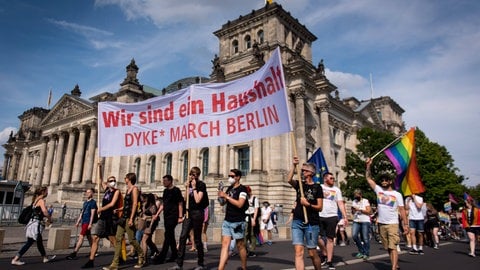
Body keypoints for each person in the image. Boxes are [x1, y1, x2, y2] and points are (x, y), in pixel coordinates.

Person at [366, 158, 408, 270]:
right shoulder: (378, 190)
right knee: (388, 247)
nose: (384, 181)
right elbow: (368, 179)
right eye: (382, 180)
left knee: (393, 246)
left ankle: (393, 267)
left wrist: (405, 224)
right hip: (382, 224)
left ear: (390, 181)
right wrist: (368, 166)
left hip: (393, 223)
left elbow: (402, 210)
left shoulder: (397, 194)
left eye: (386, 180)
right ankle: (396, 264)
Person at [287, 157, 324, 270]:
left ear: (311, 173)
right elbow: (289, 180)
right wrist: (294, 165)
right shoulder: (300, 185)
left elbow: (320, 207)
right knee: (298, 252)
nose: (302, 172)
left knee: (312, 253)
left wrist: (308, 204)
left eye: (304, 170)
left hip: (311, 223)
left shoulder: (317, 187)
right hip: (297, 221)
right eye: (302, 170)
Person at [169, 166, 208, 270]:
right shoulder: (189, 184)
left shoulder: (201, 185)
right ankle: (179, 264)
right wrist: (187, 188)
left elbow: (198, 200)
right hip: (188, 213)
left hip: (198, 213)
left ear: (198, 175)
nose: (191, 177)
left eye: (193, 175)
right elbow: (185, 199)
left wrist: (194, 188)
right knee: (182, 237)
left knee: (197, 239)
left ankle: (200, 264)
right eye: (190, 174)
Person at [103, 173, 144, 270]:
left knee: (131, 240)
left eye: (125, 177)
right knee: (118, 239)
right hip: (123, 218)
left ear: (129, 179)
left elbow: (134, 204)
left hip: (129, 218)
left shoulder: (134, 189)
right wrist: (119, 210)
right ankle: (115, 264)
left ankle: (141, 255)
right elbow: (126, 205)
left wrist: (131, 218)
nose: (124, 179)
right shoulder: (127, 190)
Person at [82, 175, 121, 269]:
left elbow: (112, 204)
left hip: (110, 218)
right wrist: (99, 168)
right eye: (111, 180)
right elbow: (99, 179)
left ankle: (118, 257)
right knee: (95, 238)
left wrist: (101, 209)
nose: (113, 182)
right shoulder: (107, 189)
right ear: (107, 182)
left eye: (114, 180)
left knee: (113, 240)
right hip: (103, 217)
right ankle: (91, 260)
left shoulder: (117, 191)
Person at [11, 186, 56, 265]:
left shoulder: (35, 200)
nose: (47, 192)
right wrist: (50, 218)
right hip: (36, 225)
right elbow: (45, 211)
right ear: (43, 192)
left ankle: (45, 257)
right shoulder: (41, 200)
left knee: (38, 242)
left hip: (32, 223)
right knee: (30, 242)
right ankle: (16, 259)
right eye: (46, 191)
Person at [217, 169, 249, 270]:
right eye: (229, 175)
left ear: (238, 177)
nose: (230, 178)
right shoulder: (230, 188)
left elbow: (240, 204)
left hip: (238, 222)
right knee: (225, 245)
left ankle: (244, 267)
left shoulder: (242, 189)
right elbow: (223, 203)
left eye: (232, 176)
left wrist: (226, 196)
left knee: (240, 246)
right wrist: (220, 196)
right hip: (227, 220)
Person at [317, 172, 348, 269]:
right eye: (331, 178)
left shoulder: (336, 190)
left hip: (332, 216)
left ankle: (329, 261)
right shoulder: (319, 187)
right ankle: (324, 252)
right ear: (325, 179)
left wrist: (345, 216)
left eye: (333, 178)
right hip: (319, 215)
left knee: (330, 239)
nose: (333, 180)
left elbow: (340, 203)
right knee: (317, 237)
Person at [154, 175, 183, 264]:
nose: (163, 182)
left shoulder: (176, 190)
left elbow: (180, 203)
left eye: (165, 181)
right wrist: (157, 214)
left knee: (168, 235)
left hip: (174, 216)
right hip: (166, 216)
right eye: (163, 181)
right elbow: (163, 204)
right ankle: (175, 254)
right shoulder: (165, 191)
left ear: (170, 181)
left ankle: (162, 257)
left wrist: (180, 217)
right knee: (170, 235)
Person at [66, 188, 97, 260]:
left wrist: (90, 224)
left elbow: (92, 214)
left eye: (89, 192)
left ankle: (75, 252)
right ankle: (94, 250)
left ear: (92, 193)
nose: (87, 193)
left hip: (87, 222)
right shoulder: (85, 202)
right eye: (87, 192)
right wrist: (78, 221)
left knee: (81, 237)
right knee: (89, 237)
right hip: (83, 221)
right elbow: (82, 213)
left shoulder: (93, 202)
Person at [351, 189, 372, 260]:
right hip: (356, 220)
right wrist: (353, 210)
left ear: (360, 195)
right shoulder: (354, 201)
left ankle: (366, 253)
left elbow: (369, 211)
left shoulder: (365, 201)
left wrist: (360, 210)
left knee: (365, 238)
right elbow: (353, 213)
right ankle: (361, 250)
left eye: (357, 195)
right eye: (355, 195)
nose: (356, 196)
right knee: (354, 236)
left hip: (365, 221)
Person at [138, 193, 159, 263]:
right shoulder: (146, 205)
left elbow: (154, 217)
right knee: (148, 240)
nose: (145, 199)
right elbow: (143, 213)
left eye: (146, 198)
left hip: (150, 225)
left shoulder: (153, 206)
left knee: (144, 240)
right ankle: (156, 251)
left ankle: (144, 258)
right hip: (145, 224)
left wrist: (150, 226)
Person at [244, 185, 260, 257]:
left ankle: (252, 250)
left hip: (252, 217)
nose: (247, 194)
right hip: (245, 217)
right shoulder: (245, 198)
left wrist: (254, 219)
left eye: (248, 192)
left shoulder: (255, 199)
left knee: (252, 234)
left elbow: (256, 209)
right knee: (245, 234)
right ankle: (245, 250)